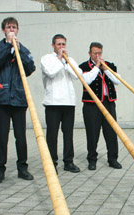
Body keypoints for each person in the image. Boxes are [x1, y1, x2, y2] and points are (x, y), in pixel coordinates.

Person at [0, 17, 36, 184]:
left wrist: (18, 50)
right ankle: (0, 169)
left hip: (19, 99)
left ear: (18, 29)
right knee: (1, 136)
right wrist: (8, 46)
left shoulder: (24, 49)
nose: (12, 29)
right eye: (9, 27)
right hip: (1, 99)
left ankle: (22, 168)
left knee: (20, 136)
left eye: (14, 27)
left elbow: (30, 69)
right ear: (3, 30)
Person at [40, 34, 81, 173]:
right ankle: (51, 164)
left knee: (68, 134)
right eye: (59, 44)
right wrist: (59, 59)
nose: (61, 47)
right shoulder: (47, 59)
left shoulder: (69, 60)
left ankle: (68, 162)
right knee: (52, 135)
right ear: (53, 45)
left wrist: (67, 61)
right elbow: (50, 72)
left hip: (69, 102)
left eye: (63, 44)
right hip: (53, 103)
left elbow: (77, 75)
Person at [79, 42, 122, 171]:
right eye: (95, 53)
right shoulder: (83, 66)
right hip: (91, 105)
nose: (97, 55)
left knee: (111, 132)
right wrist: (97, 67)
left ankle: (113, 159)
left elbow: (118, 80)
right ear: (90, 54)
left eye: (99, 53)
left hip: (108, 103)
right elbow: (86, 80)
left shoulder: (109, 65)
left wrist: (105, 69)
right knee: (92, 133)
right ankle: (92, 160)